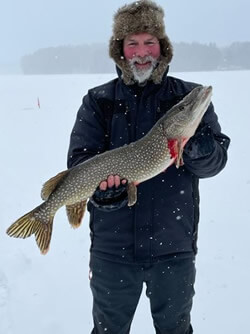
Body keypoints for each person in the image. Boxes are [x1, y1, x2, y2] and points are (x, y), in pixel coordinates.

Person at [67, 1, 230, 333]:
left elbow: (216, 161)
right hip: (112, 251)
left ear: (162, 47)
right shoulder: (98, 100)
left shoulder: (187, 98)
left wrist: (195, 145)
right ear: (121, 50)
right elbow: (80, 162)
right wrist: (105, 194)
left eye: (149, 42)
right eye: (133, 43)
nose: (142, 52)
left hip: (174, 248)